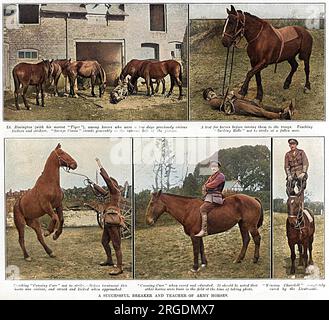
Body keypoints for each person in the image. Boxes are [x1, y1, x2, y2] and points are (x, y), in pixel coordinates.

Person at [92, 158, 124, 275]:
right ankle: (110, 260)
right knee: (104, 242)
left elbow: (107, 181)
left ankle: (119, 267)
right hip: (108, 222)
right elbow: (101, 191)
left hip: (114, 221)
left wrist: (100, 165)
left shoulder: (116, 191)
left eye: (110, 183)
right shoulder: (110, 193)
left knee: (117, 245)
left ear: (114, 184)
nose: (108, 185)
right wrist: (93, 185)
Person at [203, 87, 294, 120]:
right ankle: (282, 116)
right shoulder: (212, 102)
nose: (212, 93)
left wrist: (230, 94)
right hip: (236, 106)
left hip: (237, 102)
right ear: (208, 98)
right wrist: (229, 95)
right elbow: (224, 103)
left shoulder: (217, 96)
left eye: (212, 92)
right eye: (210, 94)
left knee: (258, 105)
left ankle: (282, 109)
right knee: (259, 111)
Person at [195, 160, 225, 237]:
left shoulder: (221, 176)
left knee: (203, 209)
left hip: (216, 196)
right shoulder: (211, 176)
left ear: (218, 167)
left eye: (215, 166)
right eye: (212, 166)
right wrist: (204, 187)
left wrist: (206, 186)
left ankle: (204, 230)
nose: (213, 168)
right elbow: (205, 184)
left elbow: (212, 185)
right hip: (209, 196)